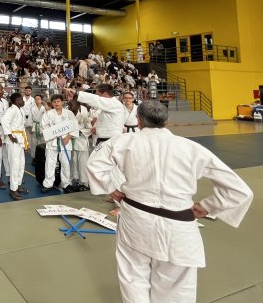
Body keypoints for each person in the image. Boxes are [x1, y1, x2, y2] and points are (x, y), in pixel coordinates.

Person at [87, 100, 253, 303]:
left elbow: (95, 164)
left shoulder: (123, 142)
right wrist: (207, 207)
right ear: (167, 121)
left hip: (136, 219)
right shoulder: (191, 148)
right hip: (180, 224)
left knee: (133, 278)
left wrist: (111, 189)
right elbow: (239, 190)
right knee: (177, 287)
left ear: (139, 120)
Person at [40, 94, 79, 193]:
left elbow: (75, 126)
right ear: (52, 104)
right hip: (52, 141)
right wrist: (53, 134)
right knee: (50, 163)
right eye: (54, 102)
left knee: (66, 164)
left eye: (58, 101)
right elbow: (43, 127)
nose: (56, 103)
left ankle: (66, 184)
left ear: (62, 102)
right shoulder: (48, 114)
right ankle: (48, 184)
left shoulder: (69, 113)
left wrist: (68, 137)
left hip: (65, 142)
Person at [1, 92, 29, 200]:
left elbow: (22, 127)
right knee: (14, 165)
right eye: (20, 100)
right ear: (14, 101)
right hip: (13, 140)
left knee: (21, 164)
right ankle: (13, 190)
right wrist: (10, 135)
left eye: (22, 99)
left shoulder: (20, 110)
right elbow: (4, 121)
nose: (22, 101)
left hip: (20, 139)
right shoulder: (12, 110)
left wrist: (26, 144)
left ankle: (18, 185)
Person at [67, 98, 91, 191]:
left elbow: (89, 128)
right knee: (74, 163)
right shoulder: (68, 114)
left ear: (76, 106)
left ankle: (85, 183)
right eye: (69, 105)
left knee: (82, 163)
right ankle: (76, 180)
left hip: (82, 142)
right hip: (72, 142)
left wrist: (80, 132)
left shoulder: (83, 115)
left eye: (71, 105)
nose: (69, 107)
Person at [29, 94, 46, 166]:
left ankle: (42, 157)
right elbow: (30, 118)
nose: (37, 100)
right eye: (35, 99)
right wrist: (30, 126)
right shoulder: (32, 108)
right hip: (34, 126)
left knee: (42, 142)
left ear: (41, 100)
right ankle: (34, 158)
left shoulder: (44, 108)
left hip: (43, 127)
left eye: (38, 99)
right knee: (34, 143)